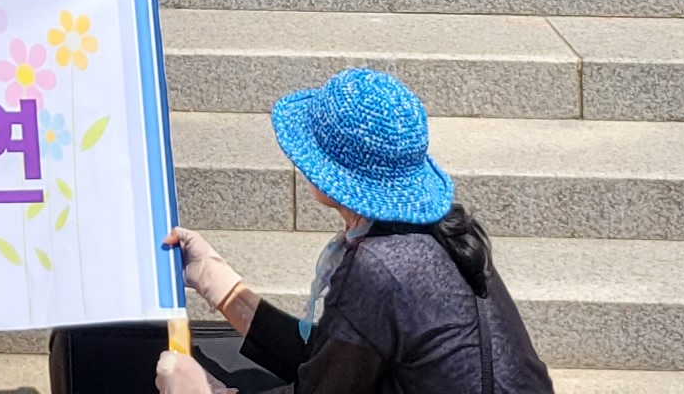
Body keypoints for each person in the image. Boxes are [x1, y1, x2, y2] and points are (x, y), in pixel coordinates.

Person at [162, 67, 554, 394]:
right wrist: (217, 281)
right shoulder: (438, 238)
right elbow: (330, 360)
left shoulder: (379, 266)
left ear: (330, 176)